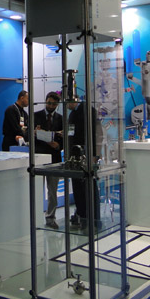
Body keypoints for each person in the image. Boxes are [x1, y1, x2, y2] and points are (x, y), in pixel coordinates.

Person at [67, 96, 101, 229]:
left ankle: (93, 220)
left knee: (89, 188)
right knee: (78, 189)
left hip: (87, 157)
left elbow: (97, 134)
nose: (66, 105)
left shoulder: (88, 111)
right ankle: (82, 217)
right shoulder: (73, 114)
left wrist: (95, 155)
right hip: (75, 157)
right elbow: (71, 134)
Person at [34, 91, 63, 229]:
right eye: (49, 103)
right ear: (45, 101)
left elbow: (65, 137)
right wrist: (35, 133)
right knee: (36, 189)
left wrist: (58, 145)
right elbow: (27, 136)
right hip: (39, 157)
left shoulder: (60, 119)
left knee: (52, 191)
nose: (51, 106)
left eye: (54, 104)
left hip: (54, 157)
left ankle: (50, 218)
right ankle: (34, 217)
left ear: (57, 105)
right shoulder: (36, 116)